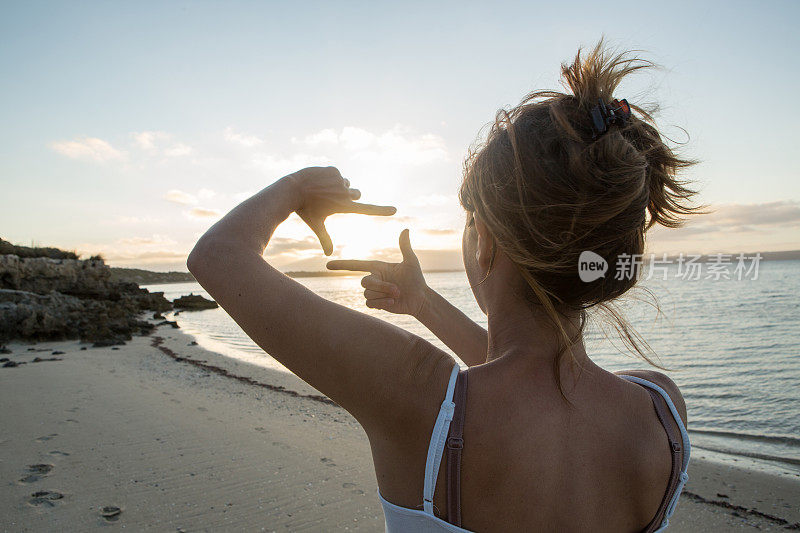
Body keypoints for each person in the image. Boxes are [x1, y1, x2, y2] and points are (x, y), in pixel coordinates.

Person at [188, 42, 698, 532]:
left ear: (487, 243)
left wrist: (298, 186)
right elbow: (530, 381)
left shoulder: (421, 401)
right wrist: (424, 303)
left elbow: (217, 256)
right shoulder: (660, 412)